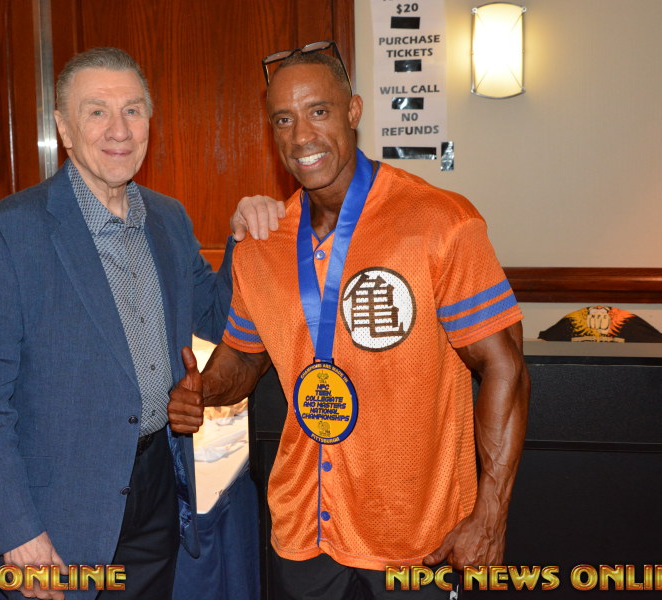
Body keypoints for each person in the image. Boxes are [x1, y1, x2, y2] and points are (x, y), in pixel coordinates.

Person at [168, 46, 530, 599]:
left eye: (318, 111)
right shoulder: (263, 245)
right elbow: (244, 356)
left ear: (353, 111)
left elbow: (505, 368)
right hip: (301, 531)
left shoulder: (440, 222)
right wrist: (204, 391)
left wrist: (490, 515)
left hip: (416, 538)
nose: (301, 137)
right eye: (283, 120)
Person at [0, 47, 280, 600]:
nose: (119, 129)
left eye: (132, 110)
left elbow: (218, 314)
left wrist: (245, 238)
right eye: (97, 112)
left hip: (157, 485)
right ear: (64, 129)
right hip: (61, 509)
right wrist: (19, 532)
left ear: (149, 120)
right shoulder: (4, 235)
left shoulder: (168, 218)